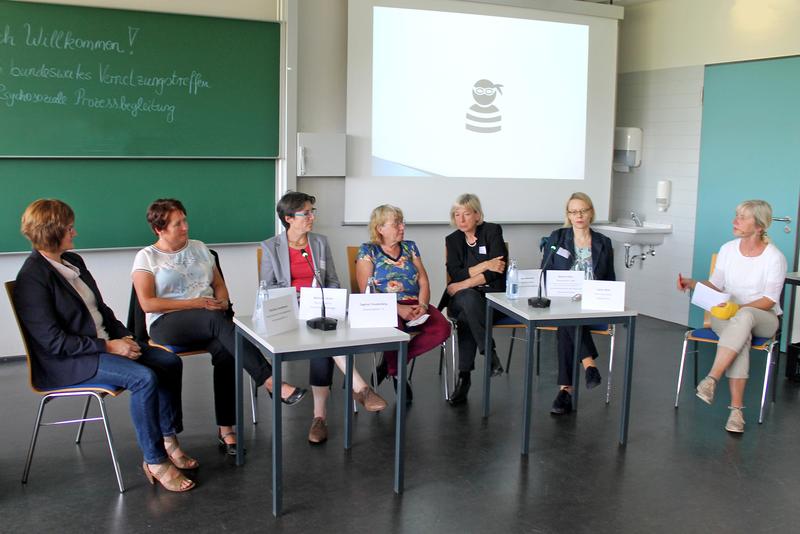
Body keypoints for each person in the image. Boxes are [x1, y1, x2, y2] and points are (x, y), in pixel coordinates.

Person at [14, 199, 195, 492]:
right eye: (69, 228)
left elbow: (102, 310)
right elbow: (53, 342)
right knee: (143, 378)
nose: (75, 232)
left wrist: (126, 338)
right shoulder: (32, 279)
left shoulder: (73, 262)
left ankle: (167, 437)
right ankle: (155, 460)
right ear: (50, 232)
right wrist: (109, 347)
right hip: (69, 362)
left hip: (102, 345)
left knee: (169, 362)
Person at [132, 199, 306, 456]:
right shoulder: (147, 257)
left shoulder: (200, 248)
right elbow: (147, 303)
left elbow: (218, 284)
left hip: (207, 321)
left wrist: (222, 301)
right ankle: (271, 381)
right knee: (217, 322)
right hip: (167, 322)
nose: (185, 227)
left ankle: (226, 428)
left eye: (185, 220)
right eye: (177, 223)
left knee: (226, 351)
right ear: (160, 229)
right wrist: (196, 303)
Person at [260, 192, 387, 444]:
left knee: (325, 336)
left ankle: (320, 417)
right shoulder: (270, 247)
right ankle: (360, 389)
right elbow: (267, 287)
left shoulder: (319, 242)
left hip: (321, 307)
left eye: (312, 211)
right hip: (291, 313)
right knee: (326, 338)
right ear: (288, 218)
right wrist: (299, 298)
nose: (311, 217)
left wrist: (326, 299)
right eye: (305, 213)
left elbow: (333, 280)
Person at [677, 200, 786, 433]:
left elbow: (769, 300)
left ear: (759, 226)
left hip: (763, 318)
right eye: (736, 215)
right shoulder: (728, 249)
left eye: (742, 217)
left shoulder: (774, 257)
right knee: (741, 337)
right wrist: (694, 283)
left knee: (745, 316)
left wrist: (737, 309)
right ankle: (736, 413)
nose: (734, 221)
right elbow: (716, 286)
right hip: (728, 317)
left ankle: (712, 379)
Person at [356, 205, 451, 401]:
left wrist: (423, 306)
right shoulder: (368, 250)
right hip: (383, 306)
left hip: (415, 303)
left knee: (443, 328)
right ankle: (399, 375)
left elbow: (423, 281)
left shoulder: (410, 246)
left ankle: (391, 366)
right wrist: (398, 309)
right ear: (380, 228)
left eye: (402, 222)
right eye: (396, 224)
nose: (402, 227)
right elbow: (366, 291)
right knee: (394, 332)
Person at [544, 192, 615, 415]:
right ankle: (589, 366)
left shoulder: (604, 242)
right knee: (568, 319)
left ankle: (565, 391)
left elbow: (610, 277)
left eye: (583, 210)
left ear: (591, 212)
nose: (579, 215)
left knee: (567, 324)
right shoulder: (557, 238)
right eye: (573, 211)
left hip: (594, 302)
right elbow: (545, 272)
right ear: (568, 215)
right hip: (564, 300)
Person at [439, 193, 506, 406]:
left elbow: (498, 272)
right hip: (461, 300)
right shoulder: (453, 239)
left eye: (466, 214)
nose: (461, 219)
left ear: (477, 214)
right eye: (456, 214)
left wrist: (462, 284)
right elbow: (455, 273)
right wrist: (486, 265)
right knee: (468, 300)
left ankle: (464, 378)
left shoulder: (492, 231)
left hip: (491, 299)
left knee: (469, 311)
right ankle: (489, 352)